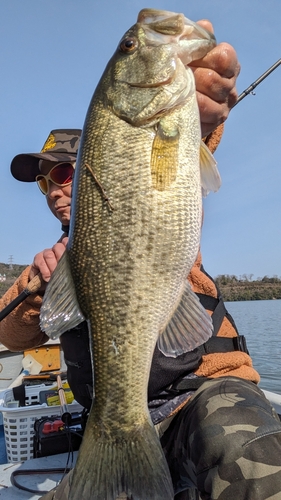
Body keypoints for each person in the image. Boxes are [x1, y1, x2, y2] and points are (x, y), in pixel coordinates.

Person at [1, 20, 281, 500]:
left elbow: (175, 159)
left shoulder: (146, 185)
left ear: (94, 161)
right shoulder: (52, 264)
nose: (54, 189)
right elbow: (7, 332)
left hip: (202, 394)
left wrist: (206, 119)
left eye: (65, 171)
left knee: (256, 467)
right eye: (44, 182)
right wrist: (39, 282)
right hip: (116, 423)